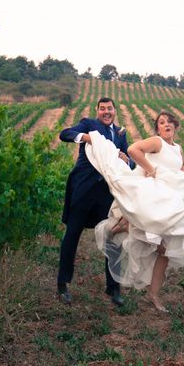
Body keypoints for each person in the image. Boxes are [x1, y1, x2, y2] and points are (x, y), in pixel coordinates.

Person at [86, 111, 184, 312]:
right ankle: (121, 227)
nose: (166, 124)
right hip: (155, 195)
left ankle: (153, 294)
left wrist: (181, 178)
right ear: (158, 128)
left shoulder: (179, 148)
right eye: (161, 122)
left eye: (169, 122)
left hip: (172, 199)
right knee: (152, 239)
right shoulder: (158, 142)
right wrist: (151, 169)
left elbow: (181, 168)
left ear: (175, 126)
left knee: (167, 250)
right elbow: (133, 149)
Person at [57, 97, 131, 306]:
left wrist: (128, 160)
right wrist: (85, 137)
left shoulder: (120, 133)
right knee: (72, 235)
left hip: (107, 194)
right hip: (83, 189)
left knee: (113, 237)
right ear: (97, 111)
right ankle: (62, 285)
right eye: (102, 109)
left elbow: (129, 160)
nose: (106, 112)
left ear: (115, 111)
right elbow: (65, 134)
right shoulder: (89, 125)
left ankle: (113, 287)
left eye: (110, 109)